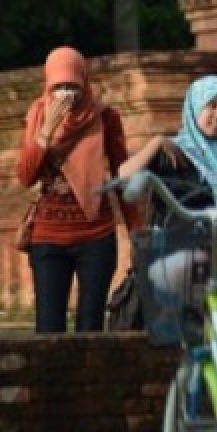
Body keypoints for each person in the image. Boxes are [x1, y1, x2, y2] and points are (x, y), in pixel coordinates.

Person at [118, 75, 217, 320]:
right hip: (172, 264)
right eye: (212, 106)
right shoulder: (170, 153)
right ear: (195, 107)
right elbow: (124, 178)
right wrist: (156, 143)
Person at [16, 47, 129, 334]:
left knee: (91, 326)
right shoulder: (38, 116)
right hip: (48, 235)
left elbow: (122, 174)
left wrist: (136, 228)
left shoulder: (104, 118)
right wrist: (46, 132)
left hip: (96, 233)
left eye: (73, 87)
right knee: (49, 327)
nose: (67, 95)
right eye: (59, 87)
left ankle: (92, 380)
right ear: (48, 86)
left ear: (84, 83)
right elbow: (26, 176)